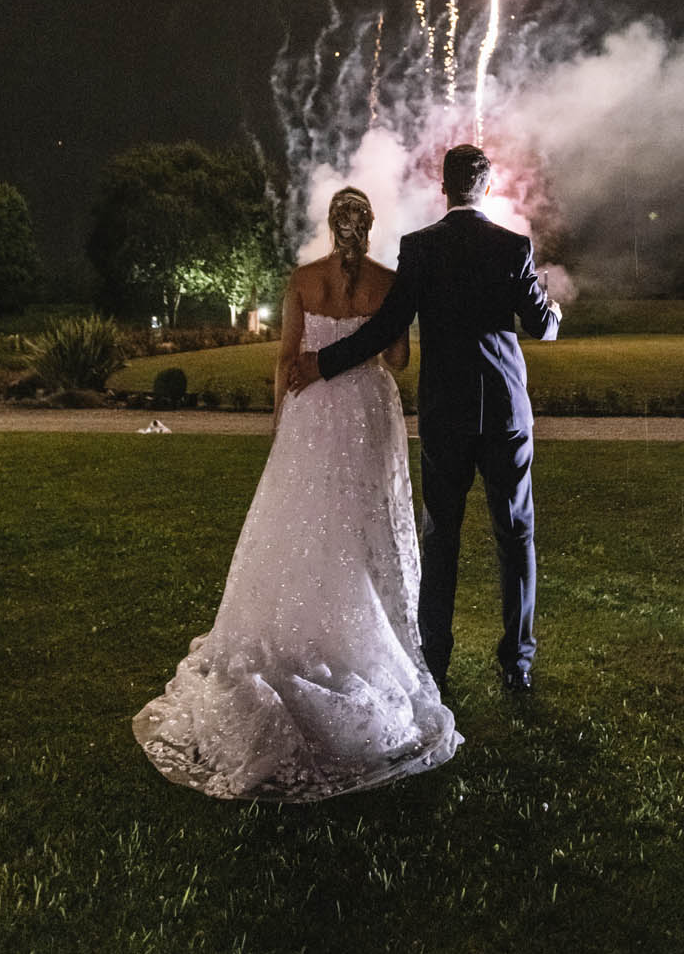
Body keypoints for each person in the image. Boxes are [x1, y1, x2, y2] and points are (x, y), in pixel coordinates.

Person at [132, 186, 459, 801]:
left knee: (304, 518)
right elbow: (399, 357)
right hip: (367, 410)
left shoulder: (303, 280)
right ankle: (373, 628)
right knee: (366, 522)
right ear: (369, 226)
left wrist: (281, 422)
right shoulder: (388, 282)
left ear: (330, 226)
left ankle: (298, 630)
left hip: (313, 413)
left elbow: (287, 359)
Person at [288, 144, 560, 695]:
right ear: (485, 187)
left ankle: (435, 662)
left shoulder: (420, 249)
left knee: (442, 539)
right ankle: (518, 664)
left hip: (446, 413)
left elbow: (385, 326)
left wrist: (325, 362)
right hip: (504, 412)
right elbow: (542, 327)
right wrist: (552, 310)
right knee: (516, 536)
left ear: (444, 187)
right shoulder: (512, 247)